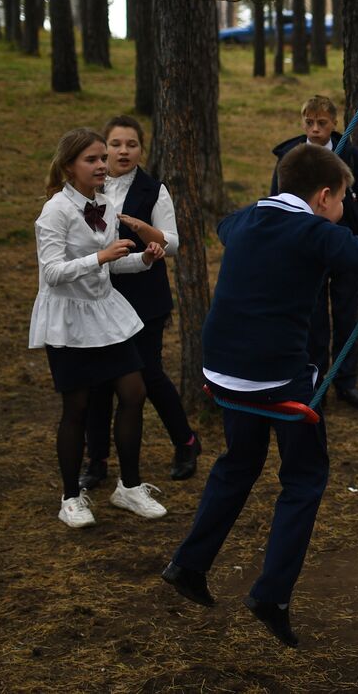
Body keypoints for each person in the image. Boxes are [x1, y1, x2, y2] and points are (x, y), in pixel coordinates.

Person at [162, 144, 358, 647]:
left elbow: (227, 227)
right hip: (277, 379)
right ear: (324, 196)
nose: (344, 208)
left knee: (240, 463)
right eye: (344, 198)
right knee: (303, 479)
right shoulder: (315, 233)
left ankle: (188, 564)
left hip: (226, 374)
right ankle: (271, 595)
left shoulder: (245, 219)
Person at [30, 128, 170, 529]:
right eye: (92, 159)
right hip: (68, 319)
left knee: (134, 391)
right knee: (76, 407)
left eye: (101, 159)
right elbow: (52, 273)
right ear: (69, 166)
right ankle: (71, 497)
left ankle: (129, 486)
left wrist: (142, 259)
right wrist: (99, 257)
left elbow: (110, 262)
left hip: (104, 312)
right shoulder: (55, 211)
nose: (102, 166)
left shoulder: (106, 205)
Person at [80, 116, 201, 489]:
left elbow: (173, 242)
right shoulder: (90, 190)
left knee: (147, 374)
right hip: (100, 298)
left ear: (141, 149)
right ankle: (97, 460)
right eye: (115, 144)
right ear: (104, 149)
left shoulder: (154, 190)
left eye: (131, 144)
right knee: (99, 381)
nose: (122, 151)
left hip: (144, 299)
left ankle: (186, 442)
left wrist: (147, 235)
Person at [270, 95, 358, 410]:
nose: (316, 129)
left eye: (322, 123)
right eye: (310, 123)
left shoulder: (349, 154)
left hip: (344, 247)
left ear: (334, 124)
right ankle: (315, 384)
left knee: (347, 316)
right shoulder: (291, 157)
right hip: (307, 251)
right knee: (314, 321)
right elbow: (276, 202)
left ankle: (347, 381)